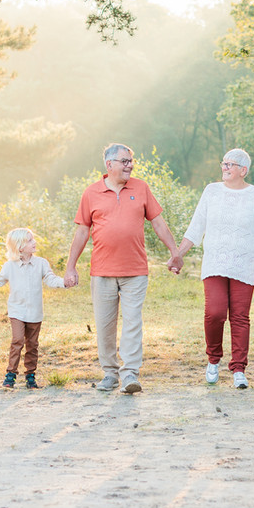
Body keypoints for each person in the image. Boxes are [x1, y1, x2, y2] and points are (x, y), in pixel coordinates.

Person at [64, 143, 179, 394]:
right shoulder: (91, 193)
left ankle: (130, 375)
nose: (130, 165)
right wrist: (70, 266)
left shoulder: (141, 188)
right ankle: (109, 373)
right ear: (110, 165)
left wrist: (175, 252)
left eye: (131, 161)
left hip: (135, 271)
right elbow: (82, 231)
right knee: (105, 325)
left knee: (132, 323)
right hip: (102, 272)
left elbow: (158, 223)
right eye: (125, 161)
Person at [169, 148, 254, 389]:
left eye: (231, 164)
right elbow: (196, 225)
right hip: (215, 263)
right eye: (224, 163)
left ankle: (239, 368)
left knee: (240, 317)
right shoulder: (212, 191)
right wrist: (178, 255)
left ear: (244, 170)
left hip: (244, 263)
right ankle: (213, 359)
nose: (225, 168)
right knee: (215, 313)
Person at [0, 228, 67, 390]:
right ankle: (10, 374)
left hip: (35, 312)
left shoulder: (41, 263)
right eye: (30, 241)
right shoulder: (10, 266)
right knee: (17, 340)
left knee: (32, 344)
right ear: (19, 247)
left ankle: (30, 375)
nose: (34, 243)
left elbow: (51, 279)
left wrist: (64, 282)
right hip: (17, 311)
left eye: (33, 239)